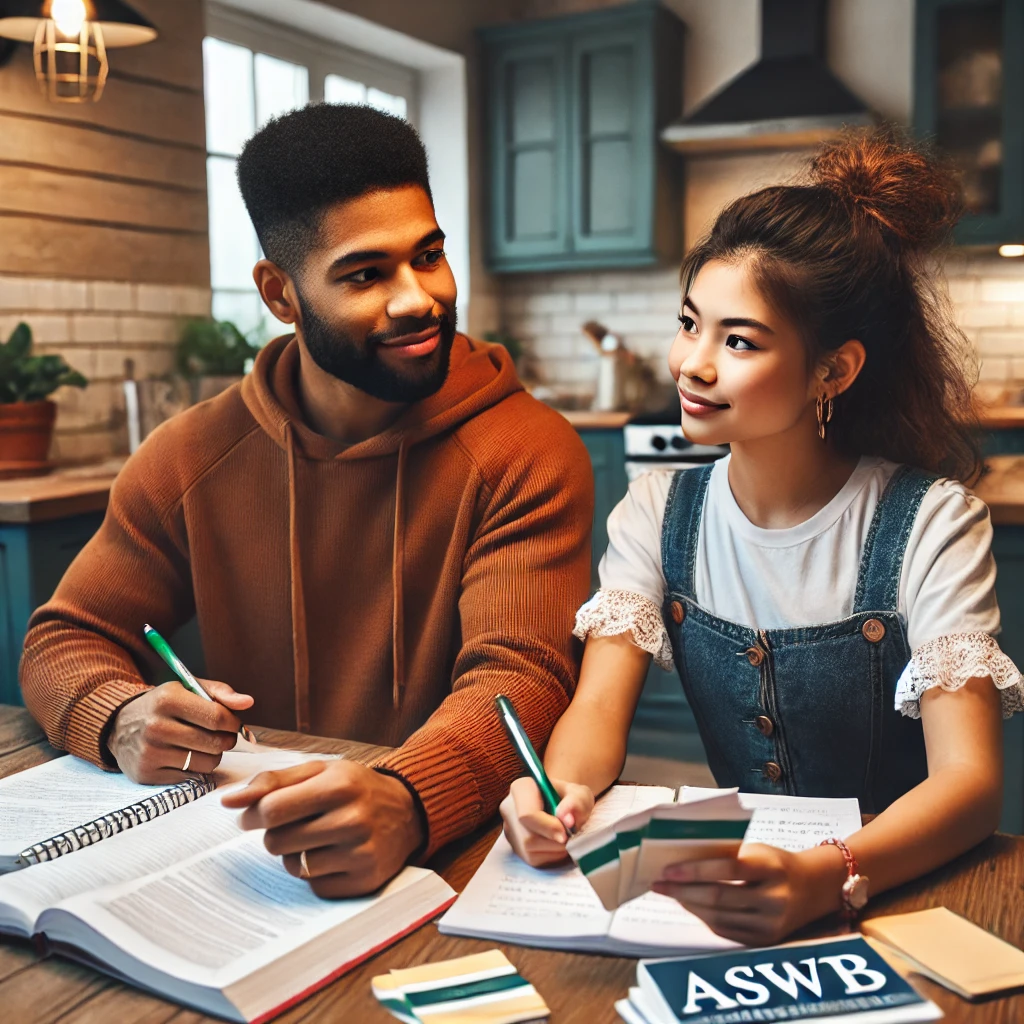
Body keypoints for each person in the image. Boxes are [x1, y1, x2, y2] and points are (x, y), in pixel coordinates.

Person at [21, 104, 593, 897]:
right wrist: (117, 717)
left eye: (428, 256)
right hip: (245, 854)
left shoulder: (526, 449)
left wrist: (405, 797)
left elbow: (521, 677)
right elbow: (64, 636)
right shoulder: (188, 456)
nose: (418, 298)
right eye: (365, 275)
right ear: (280, 294)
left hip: (453, 853)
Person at [500, 129, 1023, 945]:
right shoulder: (655, 510)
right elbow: (597, 707)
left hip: (899, 886)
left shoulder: (931, 521)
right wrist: (552, 792)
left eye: (739, 340)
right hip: (735, 891)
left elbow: (970, 785)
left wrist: (829, 874)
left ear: (834, 370)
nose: (692, 364)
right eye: (690, 324)